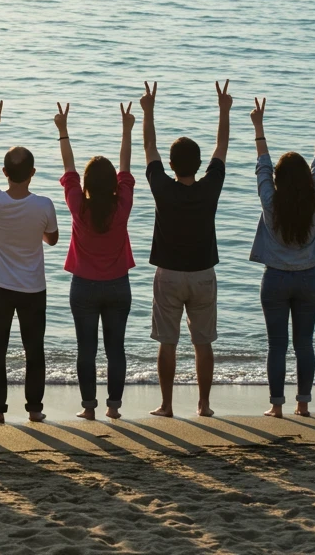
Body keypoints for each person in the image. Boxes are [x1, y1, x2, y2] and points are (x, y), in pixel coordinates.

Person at [141, 80, 231, 418]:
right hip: (203, 273)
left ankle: (166, 405)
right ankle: (204, 404)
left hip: (168, 274)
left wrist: (148, 110)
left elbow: (149, 145)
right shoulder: (210, 187)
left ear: (171, 164)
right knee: (203, 342)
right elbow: (222, 146)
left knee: (168, 342)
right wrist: (224, 110)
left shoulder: (162, 187)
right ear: (198, 164)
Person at [249, 97, 315, 419]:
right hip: (308, 278)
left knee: (277, 346)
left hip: (275, 279)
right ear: (307, 182)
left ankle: (276, 406)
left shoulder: (270, 201)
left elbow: (263, 165)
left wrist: (258, 125)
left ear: (277, 182)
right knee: (305, 344)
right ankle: (303, 405)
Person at [0, 99, 58, 423]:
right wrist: (34, 231)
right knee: (33, 350)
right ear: (33, 173)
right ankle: (34, 409)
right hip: (33, 289)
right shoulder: (44, 205)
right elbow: (52, 239)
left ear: (5, 173)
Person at [57, 101, 136, 421]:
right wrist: (128, 129)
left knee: (86, 349)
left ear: (87, 185)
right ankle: (113, 407)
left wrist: (63, 130)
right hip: (118, 285)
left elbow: (69, 170)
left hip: (84, 287)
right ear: (113, 184)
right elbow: (126, 168)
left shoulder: (78, 206)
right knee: (115, 348)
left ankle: (88, 408)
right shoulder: (123, 205)